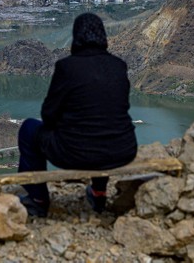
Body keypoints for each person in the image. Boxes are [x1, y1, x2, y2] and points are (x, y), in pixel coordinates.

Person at [17, 13, 137, 217]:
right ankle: (99, 193)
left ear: (76, 36)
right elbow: (121, 107)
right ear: (103, 36)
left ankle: (38, 199)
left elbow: (48, 114)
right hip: (122, 150)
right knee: (102, 129)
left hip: (74, 153)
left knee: (29, 129)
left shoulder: (67, 67)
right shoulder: (118, 66)